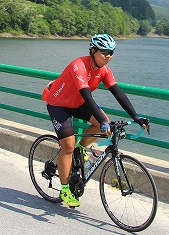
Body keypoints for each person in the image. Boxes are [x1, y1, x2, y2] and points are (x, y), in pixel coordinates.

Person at [42, 33, 149, 208]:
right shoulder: (79, 66)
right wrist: (103, 120)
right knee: (68, 145)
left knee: (101, 123)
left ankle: (81, 148)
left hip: (77, 103)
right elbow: (87, 95)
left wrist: (135, 117)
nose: (108, 56)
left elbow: (118, 93)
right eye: (104, 51)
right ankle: (64, 189)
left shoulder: (104, 70)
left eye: (111, 52)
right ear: (93, 51)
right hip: (58, 104)